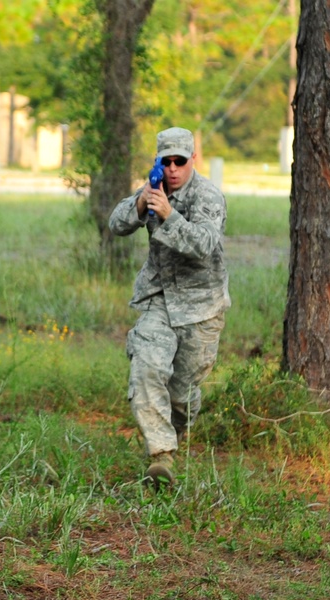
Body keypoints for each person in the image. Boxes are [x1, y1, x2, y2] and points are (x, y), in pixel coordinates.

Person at [109, 127, 229, 489]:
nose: (173, 168)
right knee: (146, 366)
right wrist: (141, 205)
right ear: (158, 162)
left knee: (181, 396)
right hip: (159, 299)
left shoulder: (208, 196)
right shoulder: (155, 188)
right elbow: (116, 223)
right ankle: (161, 457)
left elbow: (205, 244)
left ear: (193, 159)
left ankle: (176, 430)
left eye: (180, 161)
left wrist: (170, 216)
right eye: (167, 161)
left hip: (201, 307)